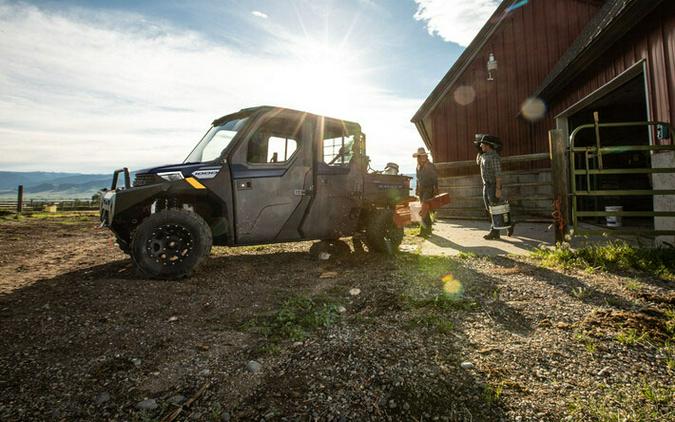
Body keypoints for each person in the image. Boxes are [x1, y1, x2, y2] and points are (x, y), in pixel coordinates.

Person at [476, 136, 514, 239]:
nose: (480, 146)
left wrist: (498, 189)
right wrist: (479, 152)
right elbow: (477, 162)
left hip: (493, 185)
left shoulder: (494, 157)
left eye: (482, 144)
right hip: (486, 185)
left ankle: (494, 232)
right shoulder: (483, 155)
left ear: (488, 145)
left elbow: (498, 175)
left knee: (494, 208)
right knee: (489, 208)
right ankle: (509, 224)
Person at [413, 147, 438, 237]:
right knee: (425, 211)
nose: (423, 157)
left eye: (424, 155)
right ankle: (427, 230)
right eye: (420, 156)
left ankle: (424, 231)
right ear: (418, 157)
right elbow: (418, 179)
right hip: (421, 190)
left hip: (429, 189)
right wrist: (416, 189)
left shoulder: (430, 165)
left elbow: (435, 179)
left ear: (426, 156)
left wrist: (436, 190)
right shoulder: (418, 166)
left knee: (424, 209)